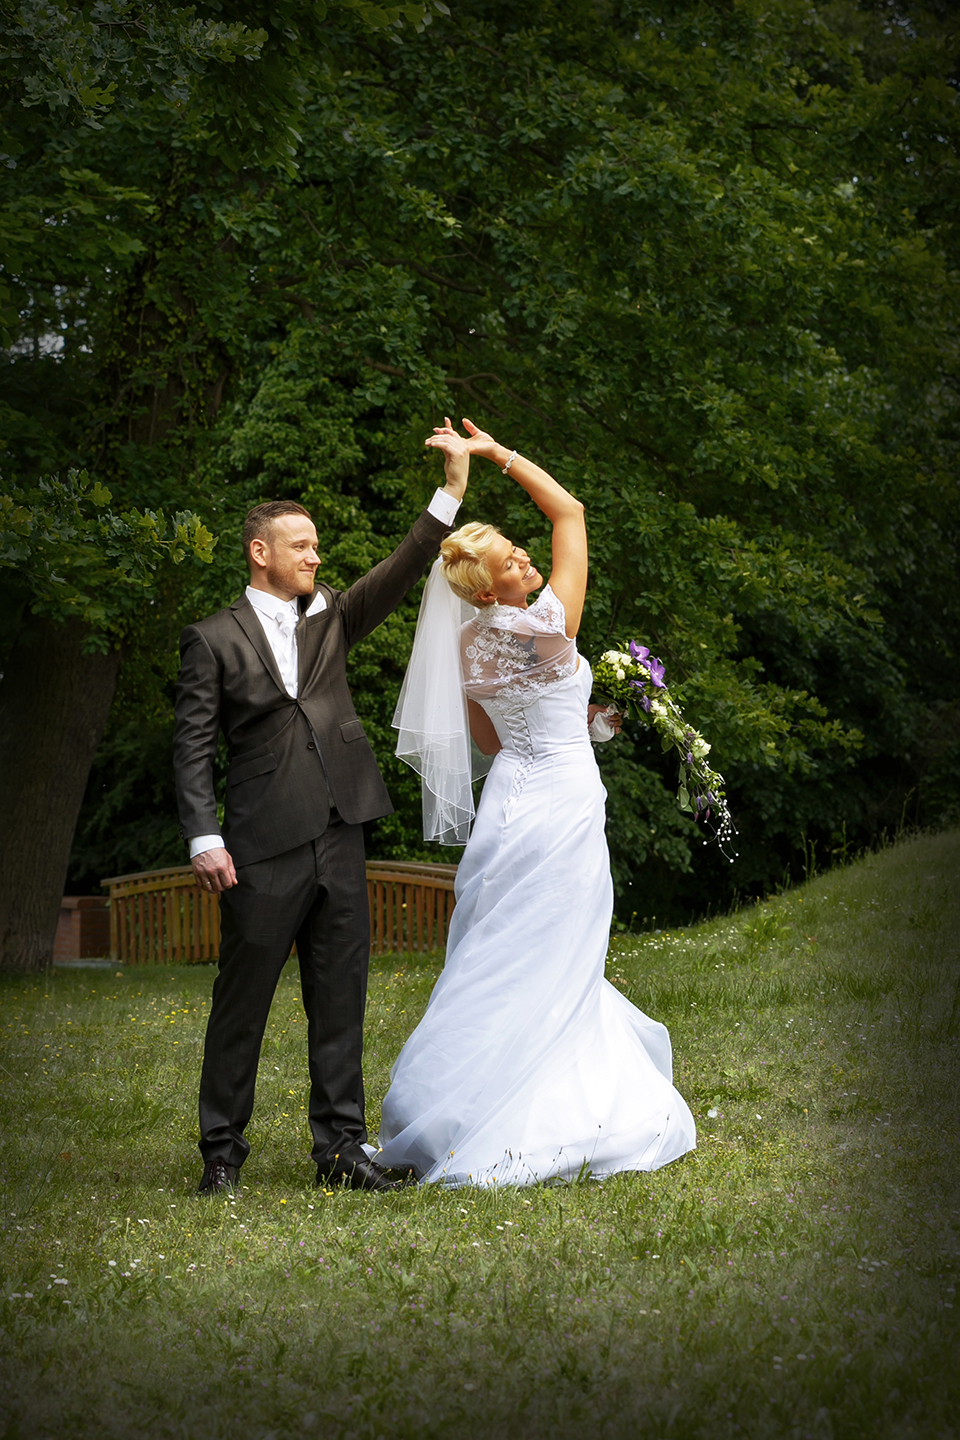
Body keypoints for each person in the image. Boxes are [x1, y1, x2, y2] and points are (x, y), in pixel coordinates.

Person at [378, 420, 697, 1186]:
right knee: (558, 947)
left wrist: (588, 720)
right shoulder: (550, 623)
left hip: (510, 807)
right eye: (510, 559)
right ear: (490, 589)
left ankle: (452, 1095)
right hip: (560, 804)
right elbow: (572, 514)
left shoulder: (470, 646)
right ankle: (544, 1106)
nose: (526, 556)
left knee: (498, 948)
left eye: (518, 549)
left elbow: (491, 739)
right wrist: (500, 455)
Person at [173, 448, 467, 1195]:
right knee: (242, 1004)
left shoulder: (333, 614)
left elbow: (401, 568)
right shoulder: (212, 639)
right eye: (301, 545)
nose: (315, 555)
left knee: (341, 997)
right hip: (261, 845)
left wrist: (449, 493)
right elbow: (193, 745)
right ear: (260, 551)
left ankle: (340, 1152)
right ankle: (221, 1154)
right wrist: (204, 835)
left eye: (316, 545)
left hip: (342, 829)